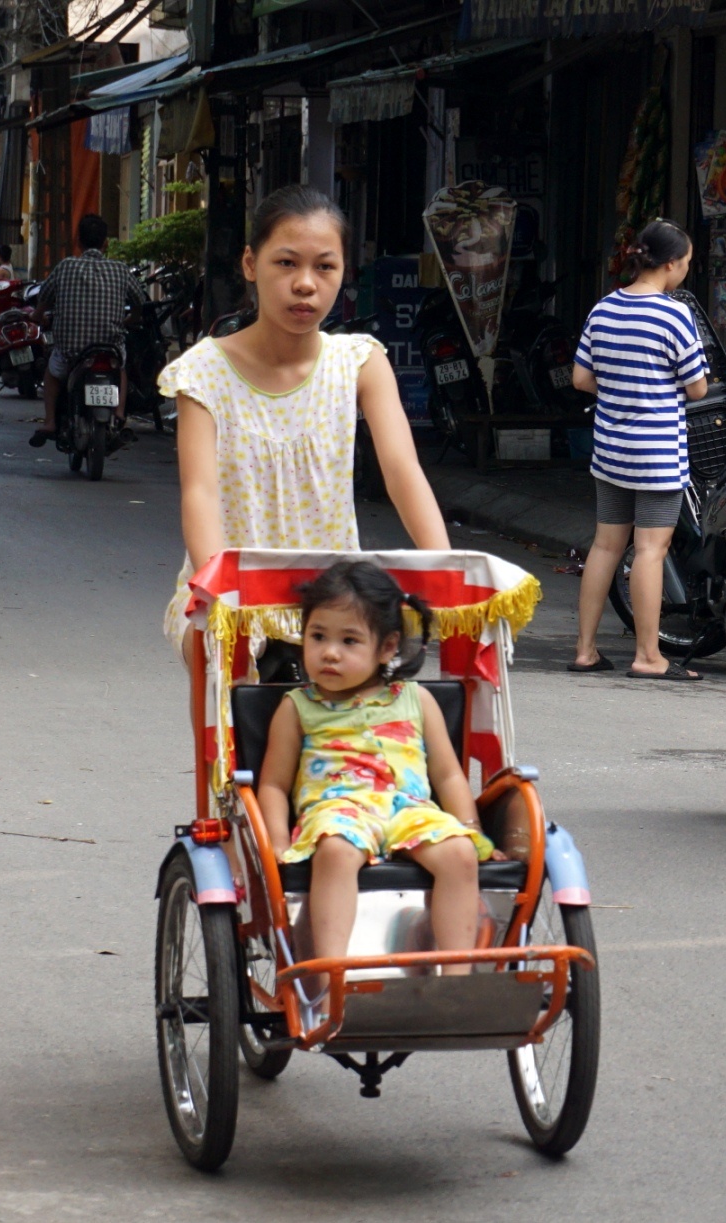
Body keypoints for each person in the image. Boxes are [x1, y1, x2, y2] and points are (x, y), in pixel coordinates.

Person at [160, 185, 450, 663]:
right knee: (226, 690)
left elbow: (402, 470)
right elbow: (200, 493)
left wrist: (448, 570)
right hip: (231, 600)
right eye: (286, 263)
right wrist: (219, 594)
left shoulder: (360, 362)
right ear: (250, 264)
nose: (305, 284)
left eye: (325, 267)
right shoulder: (202, 372)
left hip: (336, 607)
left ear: (343, 272)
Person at [256, 561, 496, 977]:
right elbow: (274, 784)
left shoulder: (416, 700)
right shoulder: (297, 707)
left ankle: (457, 981)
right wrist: (275, 842)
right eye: (317, 637)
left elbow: (448, 775)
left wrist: (470, 827)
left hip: (408, 809)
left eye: (349, 641)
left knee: (459, 853)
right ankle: (331, 976)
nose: (330, 653)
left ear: (387, 648)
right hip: (337, 810)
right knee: (336, 850)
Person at [567, 219, 709, 681]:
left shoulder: (604, 308)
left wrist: (620, 391)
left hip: (611, 449)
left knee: (606, 545)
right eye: (686, 263)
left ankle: (585, 650)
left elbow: (581, 378)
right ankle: (649, 656)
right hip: (657, 454)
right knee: (650, 549)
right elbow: (697, 387)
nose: (686, 271)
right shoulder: (674, 315)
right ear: (670, 264)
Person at [28, 214, 143, 445]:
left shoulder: (65, 266)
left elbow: (44, 298)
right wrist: (129, 320)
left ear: (78, 241)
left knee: (52, 374)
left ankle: (50, 421)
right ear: (106, 243)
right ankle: (120, 413)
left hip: (71, 352)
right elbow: (139, 302)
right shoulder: (120, 270)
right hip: (109, 349)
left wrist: (37, 317)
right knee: (120, 368)